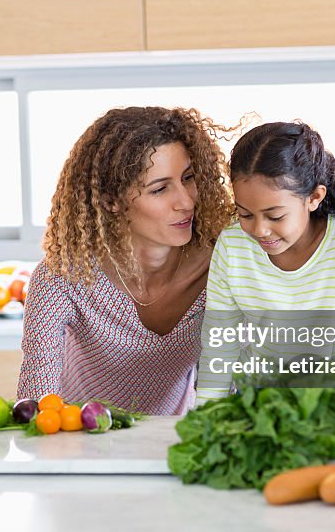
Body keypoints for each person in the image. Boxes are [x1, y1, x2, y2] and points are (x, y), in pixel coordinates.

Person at [16, 106, 234, 415]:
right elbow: (36, 403)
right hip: (77, 437)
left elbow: (230, 398)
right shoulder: (61, 278)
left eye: (188, 178)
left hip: (171, 441)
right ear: (111, 202)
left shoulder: (224, 271)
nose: (186, 202)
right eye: (159, 189)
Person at [195, 121, 335, 405]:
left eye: (275, 216)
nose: (259, 229)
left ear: (314, 198)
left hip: (333, 397)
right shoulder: (233, 246)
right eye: (245, 214)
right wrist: (206, 417)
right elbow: (219, 345)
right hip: (259, 398)